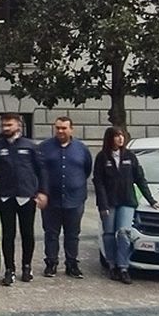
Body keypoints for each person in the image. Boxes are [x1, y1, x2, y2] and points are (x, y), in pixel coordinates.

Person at [93, 128, 159, 284]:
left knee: (124, 233)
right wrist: (103, 204)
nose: (120, 139)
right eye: (116, 136)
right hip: (109, 202)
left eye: (121, 136)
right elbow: (98, 182)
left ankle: (123, 266)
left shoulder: (130, 157)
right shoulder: (102, 157)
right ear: (110, 138)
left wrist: (151, 200)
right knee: (109, 235)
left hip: (127, 200)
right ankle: (112, 265)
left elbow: (140, 178)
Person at [0, 113, 46, 287]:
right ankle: (9, 269)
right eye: (3, 125)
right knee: (8, 235)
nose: (5, 128)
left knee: (27, 234)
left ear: (18, 125)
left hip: (26, 195)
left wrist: (42, 192)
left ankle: (27, 267)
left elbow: (41, 171)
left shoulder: (30, 146)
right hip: (6, 195)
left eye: (9, 125)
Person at [37, 116, 93, 277]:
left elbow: (87, 169)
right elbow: (37, 171)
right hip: (51, 200)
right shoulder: (44, 147)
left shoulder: (81, 149)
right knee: (51, 233)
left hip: (75, 199)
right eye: (58, 128)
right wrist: (40, 192)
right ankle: (51, 263)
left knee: (73, 234)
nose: (60, 131)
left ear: (71, 129)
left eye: (64, 128)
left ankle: (72, 264)